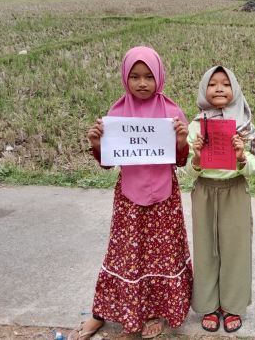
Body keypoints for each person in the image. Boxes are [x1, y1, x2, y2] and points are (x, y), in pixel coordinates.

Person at [71, 46, 193, 340]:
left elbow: (180, 159)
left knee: (162, 256)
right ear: (126, 78)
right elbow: (107, 161)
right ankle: (104, 312)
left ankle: (154, 312)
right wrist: (97, 142)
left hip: (164, 198)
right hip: (129, 198)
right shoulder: (116, 113)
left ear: (159, 77)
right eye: (135, 76)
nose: (141, 83)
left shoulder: (171, 113)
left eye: (148, 76)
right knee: (125, 254)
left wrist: (180, 139)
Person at [184, 66, 255, 333]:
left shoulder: (244, 124)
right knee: (206, 249)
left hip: (235, 190)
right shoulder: (196, 125)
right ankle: (208, 305)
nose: (219, 88)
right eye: (213, 84)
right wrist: (195, 156)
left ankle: (232, 306)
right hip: (204, 191)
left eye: (225, 84)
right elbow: (188, 170)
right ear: (204, 89)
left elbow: (254, 165)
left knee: (235, 250)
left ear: (235, 89)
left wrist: (241, 156)